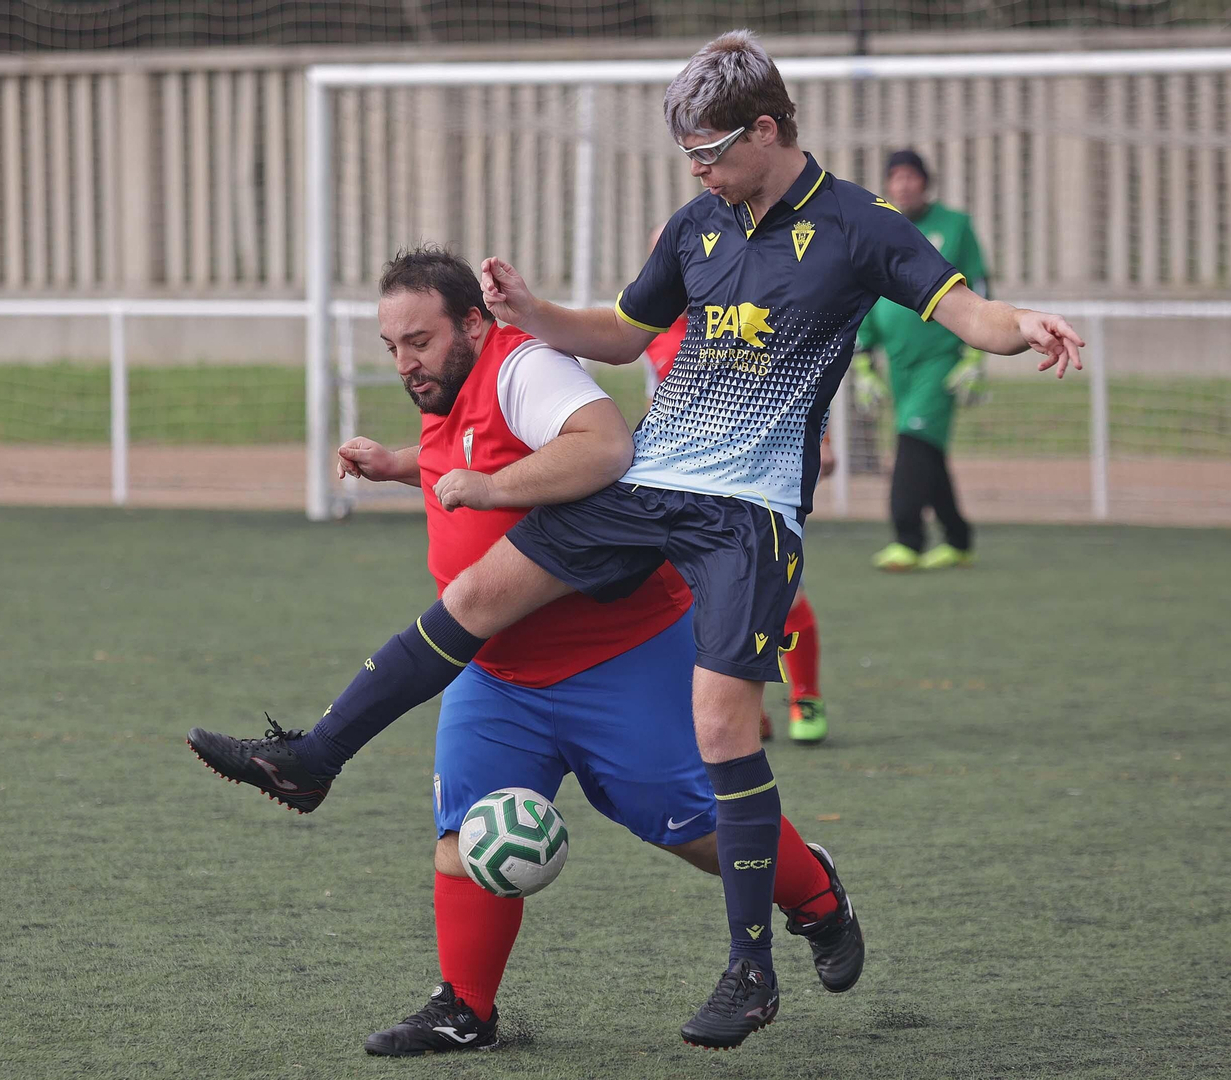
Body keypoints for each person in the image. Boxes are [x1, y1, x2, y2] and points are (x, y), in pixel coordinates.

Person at [187, 29, 1082, 1051]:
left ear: (767, 128)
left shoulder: (858, 225)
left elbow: (964, 310)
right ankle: (312, 759)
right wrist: (533, 311)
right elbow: (620, 330)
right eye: (687, 156)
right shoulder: (699, 222)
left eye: (709, 150)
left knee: (719, 727)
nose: (697, 171)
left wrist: (1026, 327)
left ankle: (751, 969)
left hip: (747, 513)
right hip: (651, 487)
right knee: (481, 593)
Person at [279, 247, 860, 1056]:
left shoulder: (530, 368)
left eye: (419, 339)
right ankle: (464, 1009)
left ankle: (818, 897)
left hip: (616, 656)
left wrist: (479, 490)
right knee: (463, 836)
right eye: (393, 346)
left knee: (695, 829)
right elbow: (475, 455)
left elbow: (599, 448)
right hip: (498, 672)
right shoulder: (446, 384)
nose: (406, 361)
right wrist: (400, 466)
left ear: (474, 323)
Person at [641, 224, 832, 745]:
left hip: (754, 490)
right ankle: (744, 712)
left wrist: (823, 439)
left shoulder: (747, 312)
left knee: (782, 601)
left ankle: (805, 697)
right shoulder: (654, 330)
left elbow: (793, 380)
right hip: (683, 491)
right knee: (703, 612)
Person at [851, 149, 990, 571]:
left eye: (911, 176)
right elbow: (868, 292)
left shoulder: (955, 226)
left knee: (912, 445)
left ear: (925, 182)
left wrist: (974, 357)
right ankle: (958, 538)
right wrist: (863, 364)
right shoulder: (881, 228)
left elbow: (980, 285)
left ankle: (907, 539)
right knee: (925, 448)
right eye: (896, 177)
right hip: (899, 365)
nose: (903, 185)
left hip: (941, 360)